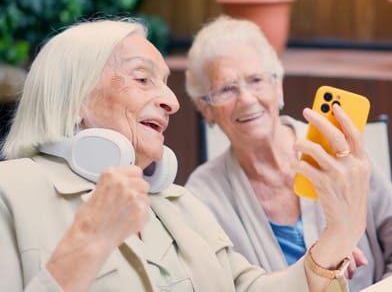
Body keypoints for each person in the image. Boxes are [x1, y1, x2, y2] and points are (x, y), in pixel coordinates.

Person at [0, 18, 372, 292]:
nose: (172, 102)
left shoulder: (179, 202)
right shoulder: (11, 191)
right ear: (74, 96)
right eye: (142, 79)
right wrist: (89, 242)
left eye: (165, 83)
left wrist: (338, 236)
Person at [184, 15, 392, 292]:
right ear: (205, 107)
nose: (246, 99)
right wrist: (325, 261)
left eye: (256, 80)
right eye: (226, 89)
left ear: (278, 85)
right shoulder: (201, 196)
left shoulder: (340, 154)